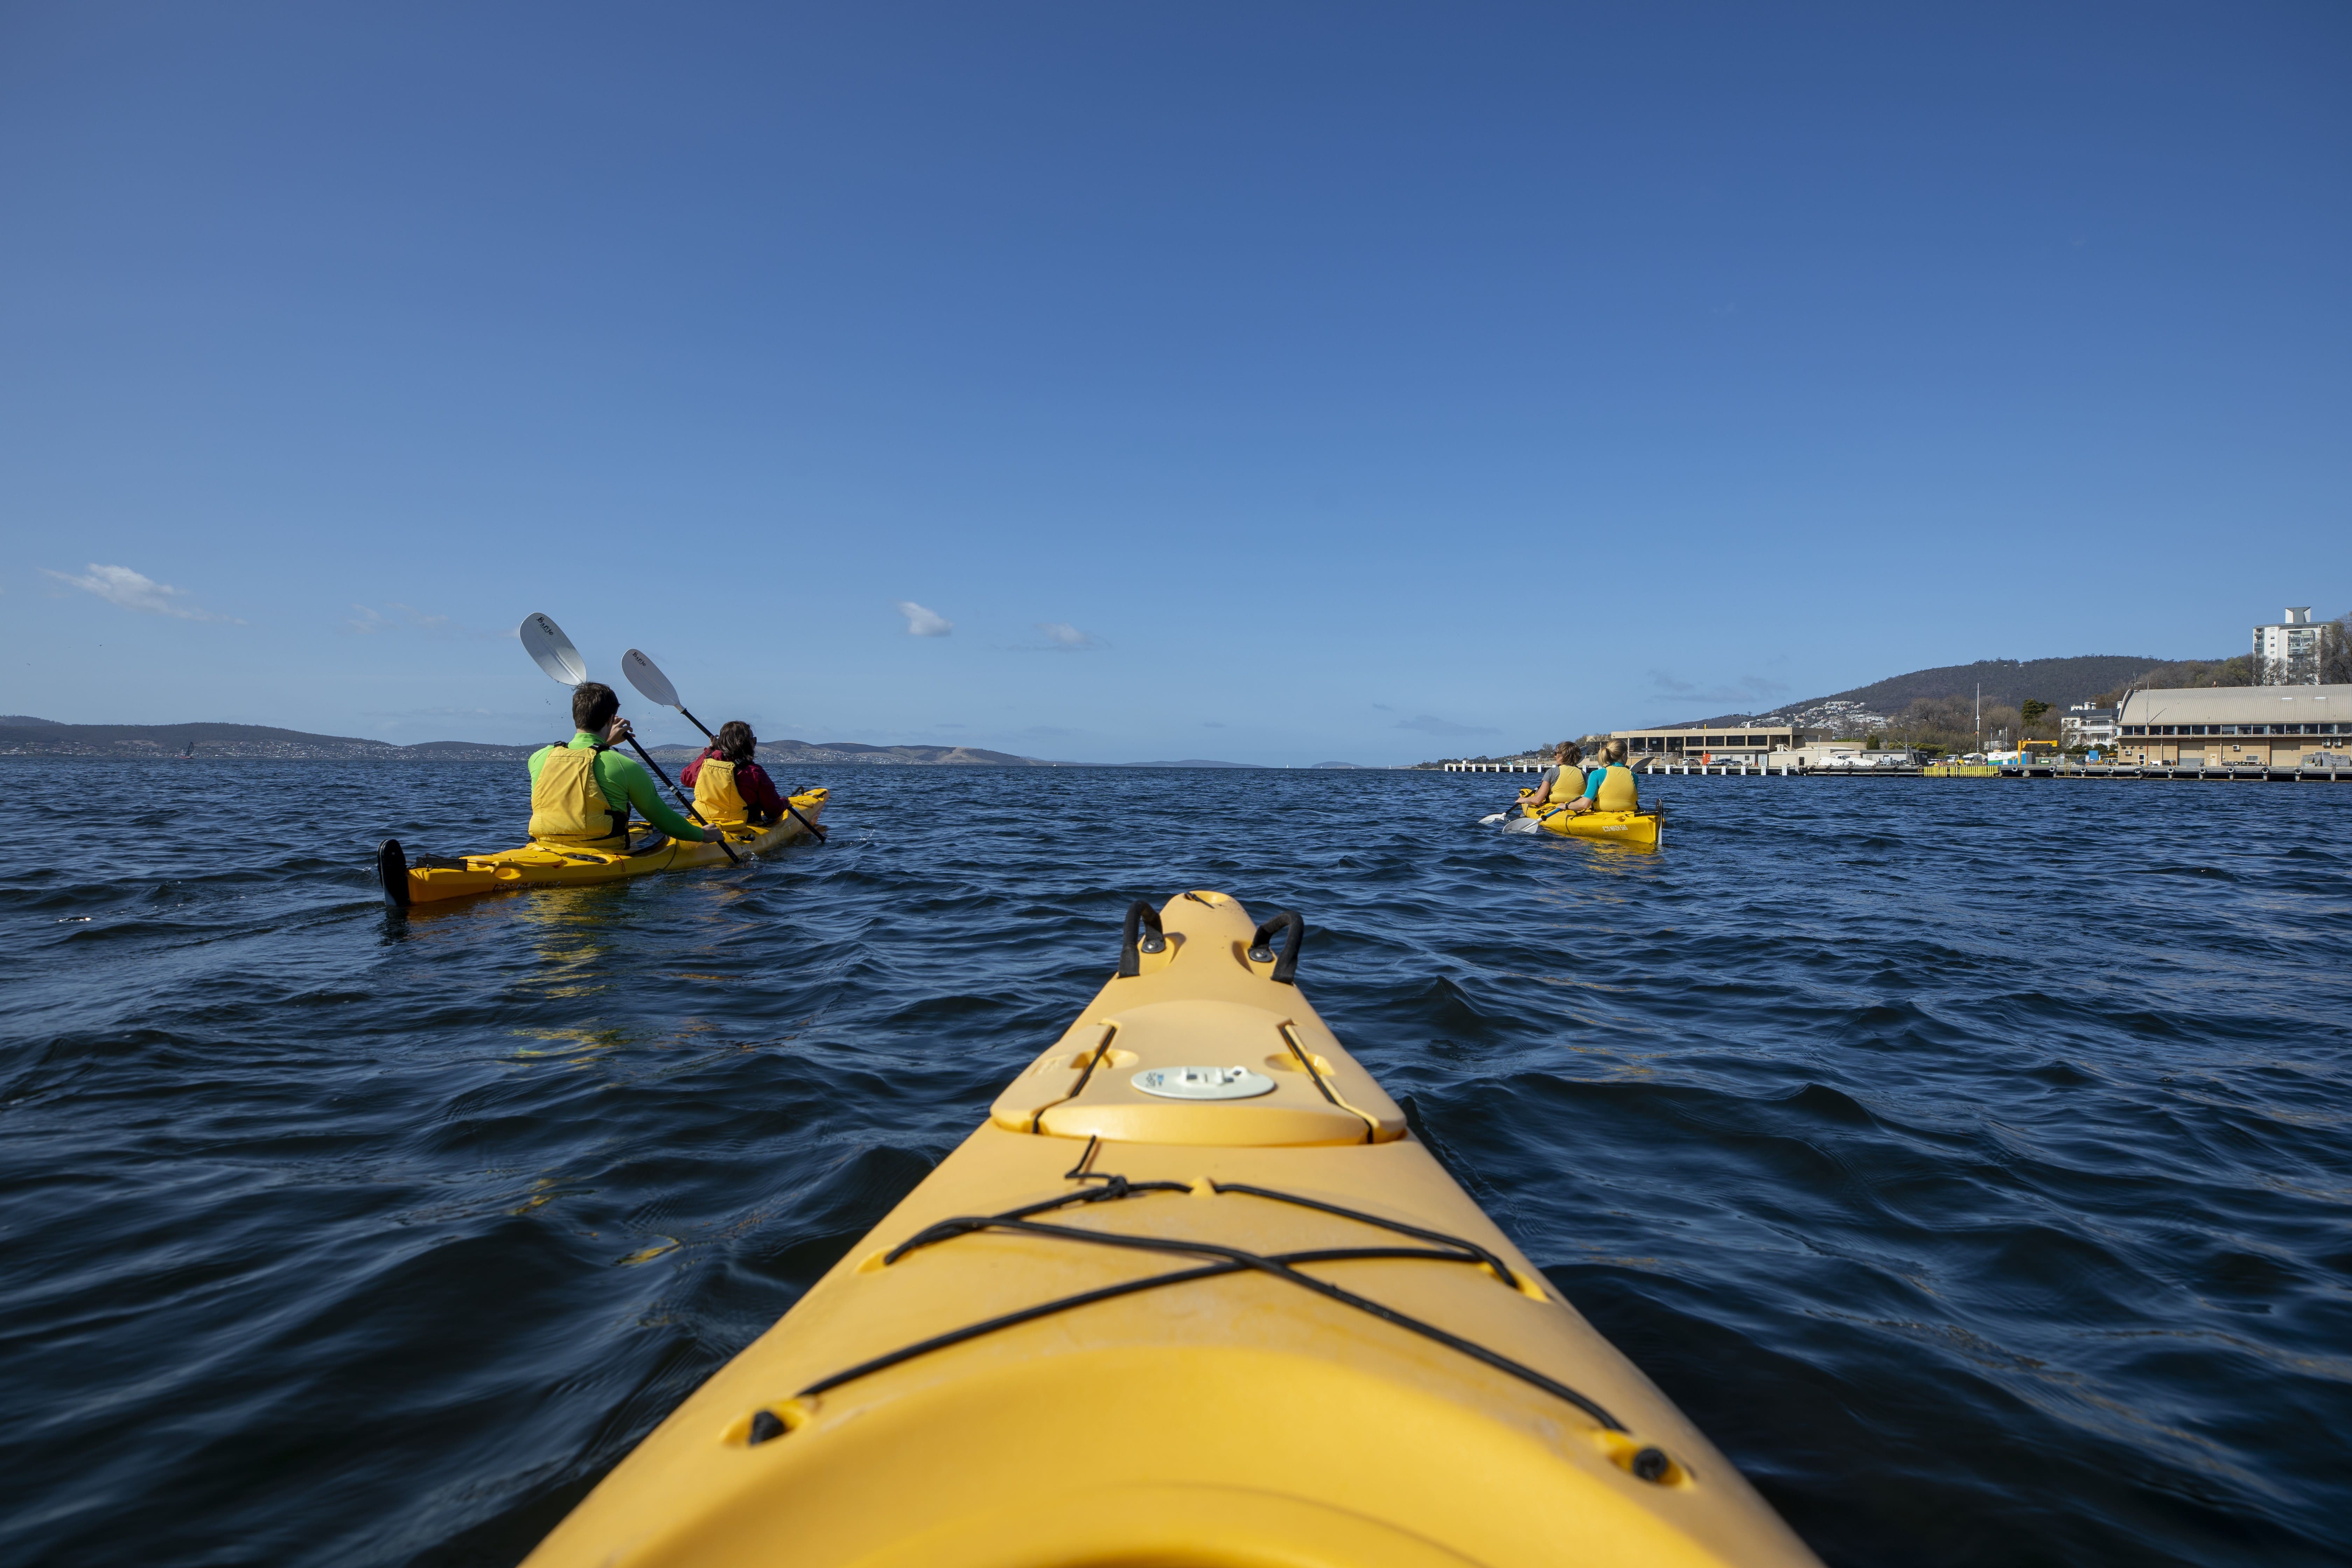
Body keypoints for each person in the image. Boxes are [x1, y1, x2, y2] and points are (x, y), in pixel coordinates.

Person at [527, 682, 729, 849]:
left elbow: (580, 765)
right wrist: (701, 834)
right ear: (611, 719)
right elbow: (662, 819)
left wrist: (604, 744)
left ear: (575, 716)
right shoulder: (623, 766)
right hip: (603, 850)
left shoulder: (539, 757)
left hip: (544, 847)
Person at [680, 721, 790, 826]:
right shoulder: (754, 772)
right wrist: (785, 802)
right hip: (740, 825)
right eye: (754, 740)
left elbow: (686, 779)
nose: (755, 743)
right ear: (746, 744)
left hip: (703, 822)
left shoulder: (706, 764)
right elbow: (774, 811)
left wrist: (710, 751)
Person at [1566, 738, 1640, 815]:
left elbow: (1585, 804)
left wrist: (1566, 806)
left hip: (1602, 815)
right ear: (1624, 755)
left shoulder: (1596, 774)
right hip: (1629, 816)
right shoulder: (1634, 776)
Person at [1518, 742, 1586, 818]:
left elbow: (1537, 801)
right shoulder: (1583, 774)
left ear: (1563, 756)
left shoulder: (1552, 772)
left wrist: (1524, 800)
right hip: (1576, 808)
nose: (1555, 756)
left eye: (1556, 753)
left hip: (1554, 809)